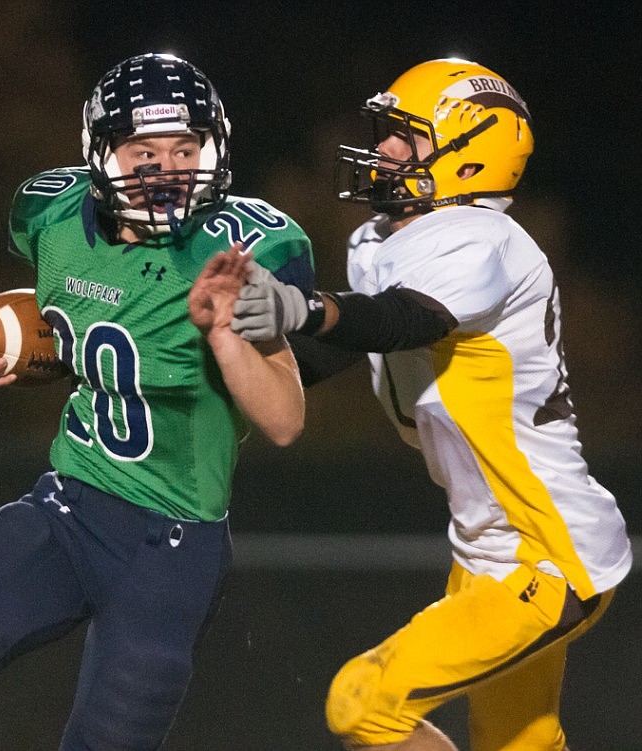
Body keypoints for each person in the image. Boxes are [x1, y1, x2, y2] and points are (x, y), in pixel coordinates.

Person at [0, 52, 312, 751]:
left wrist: (224, 334)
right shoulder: (53, 216)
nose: (168, 168)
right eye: (143, 150)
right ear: (101, 154)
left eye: (185, 148)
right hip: (68, 506)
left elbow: (284, 419)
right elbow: (76, 332)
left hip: (169, 541)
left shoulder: (236, 254)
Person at [230, 58, 632, 750]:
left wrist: (305, 306)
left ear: (472, 160)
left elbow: (404, 319)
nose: (384, 149)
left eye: (406, 138)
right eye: (387, 132)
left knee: (362, 702)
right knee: (522, 743)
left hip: (548, 558)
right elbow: (334, 354)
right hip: (487, 555)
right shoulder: (390, 241)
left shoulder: (485, 241)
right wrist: (220, 355)